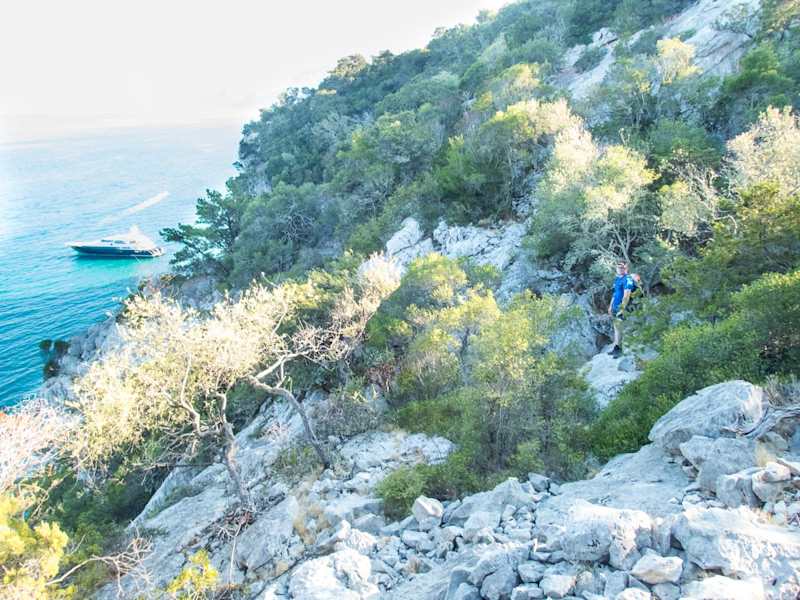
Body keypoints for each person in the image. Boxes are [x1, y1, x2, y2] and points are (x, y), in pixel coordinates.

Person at [607, 260, 635, 358]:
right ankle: (616, 347)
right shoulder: (617, 279)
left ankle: (619, 350)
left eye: (622, 267)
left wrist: (622, 309)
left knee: (619, 328)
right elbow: (615, 294)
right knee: (616, 328)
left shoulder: (627, 279)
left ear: (626, 268)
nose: (620, 268)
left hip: (622, 308)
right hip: (615, 307)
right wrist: (610, 306)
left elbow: (626, 296)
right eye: (618, 267)